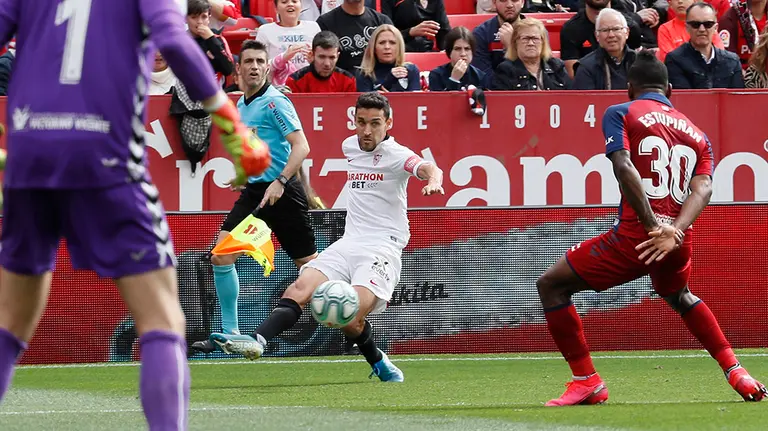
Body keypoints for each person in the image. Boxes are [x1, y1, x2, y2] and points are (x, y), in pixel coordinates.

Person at [0, 0, 268, 430]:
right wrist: (228, 119)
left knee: (9, 321)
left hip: (31, 148)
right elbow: (174, 41)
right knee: (162, 318)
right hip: (103, 153)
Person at [536, 50, 767, 407]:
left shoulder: (621, 112)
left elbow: (623, 165)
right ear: (670, 89)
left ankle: (587, 381)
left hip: (636, 239)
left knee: (552, 285)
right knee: (680, 295)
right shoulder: (699, 135)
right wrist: (674, 230)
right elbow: (703, 188)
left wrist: (652, 225)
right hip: (677, 241)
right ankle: (735, 369)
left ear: (630, 88)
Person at [209, 92, 445, 382]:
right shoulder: (350, 145)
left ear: (388, 123)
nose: (367, 131)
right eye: (361, 122)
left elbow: (425, 167)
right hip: (348, 243)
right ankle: (258, 341)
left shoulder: (396, 154)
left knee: (350, 314)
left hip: (382, 249)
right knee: (298, 289)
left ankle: (377, 359)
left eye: (375, 123)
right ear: (354, 121)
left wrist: (433, 180)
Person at [191, 40, 318, 354]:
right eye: (248, 61)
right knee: (221, 255)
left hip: (283, 194)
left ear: (266, 66)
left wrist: (281, 181)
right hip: (256, 195)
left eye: (261, 61)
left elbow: (301, 147)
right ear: (238, 68)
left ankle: (354, 312)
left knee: (313, 268)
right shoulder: (242, 105)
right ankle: (230, 333)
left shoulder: (275, 101)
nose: (255, 67)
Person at [665, 2, 743, 89]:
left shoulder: (732, 61)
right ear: (687, 28)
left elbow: (738, 99)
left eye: (708, 24)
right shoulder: (674, 60)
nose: (702, 29)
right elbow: (683, 99)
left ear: (715, 28)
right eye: (695, 25)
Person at [491, 18, 571, 90]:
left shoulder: (556, 66)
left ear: (543, 42)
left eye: (535, 38)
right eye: (525, 38)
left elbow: (571, 97)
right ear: (515, 42)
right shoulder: (505, 70)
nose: (531, 43)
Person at [316, 0, 393, 73]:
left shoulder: (382, 21)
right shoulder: (325, 23)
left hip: (378, 81)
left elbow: (396, 55)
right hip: (342, 82)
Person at [572, 8, 637, 90]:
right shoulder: (585, 67)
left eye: (616, 29)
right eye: (605, 30)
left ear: (627, 32)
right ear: (597, 36)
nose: (611, 35)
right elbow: (585, 101)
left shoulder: (642, 63)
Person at [286, 31, 358, 93]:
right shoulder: (295, 81)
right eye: (322, 57)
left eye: (332, 57)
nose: (327, 63)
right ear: (312, 54)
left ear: (338, 56)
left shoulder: (348, 80)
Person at [356, 24, 421, 92]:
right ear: (374, 48)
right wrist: (389, 81)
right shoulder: (364, 73)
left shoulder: (411, 70)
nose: (387, 47)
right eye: (381, 43)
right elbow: (365, 101)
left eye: (392, 43)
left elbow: (415, 100)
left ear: (399, 47)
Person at [655, 0, 724, 61]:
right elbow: (668, 59)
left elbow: (720, 54)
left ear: (695, 1)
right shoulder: (665, 29)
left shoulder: (706, 25)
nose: (680, 1)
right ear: (670, 4)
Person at [428, 26, 488, 91]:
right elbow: (440, 101)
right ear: (449, 52)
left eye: (467, 49)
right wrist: (454, 79)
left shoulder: (480, 76)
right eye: (457, 49)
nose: (463, 54)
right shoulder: (436, 75)